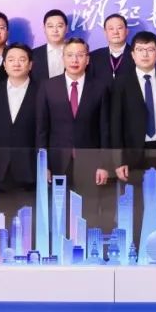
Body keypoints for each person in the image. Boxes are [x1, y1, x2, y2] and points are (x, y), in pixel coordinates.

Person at [36, 37, 113, 227]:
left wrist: (104, 164)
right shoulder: (48, 86)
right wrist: (43, 165)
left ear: (87, 59)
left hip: (90, 162)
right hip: (57, 162)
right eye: (70, 55)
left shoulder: (100, 87)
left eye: (80, 55)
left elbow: (105, 128)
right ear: (63, 58)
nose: (74, 60)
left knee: (89, 212)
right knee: (58, 214)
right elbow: (41, 129)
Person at [111, 31, 156, 186]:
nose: (145, 54)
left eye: (150, 49)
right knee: (134, 198)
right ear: (133, 55)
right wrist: (119, 160)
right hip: (132, 153)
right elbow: (115, 124)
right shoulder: (120, 83)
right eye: (140, 49)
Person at [0, 43, 38, 211]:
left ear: (30, 65)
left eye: (22, 59)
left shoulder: (42, 91)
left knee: (30, 220)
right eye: (11, 60)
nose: (16, 64)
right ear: (4, 64)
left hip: (31, 170)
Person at [88, 13, 134, 83]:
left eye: (119, 28)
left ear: (127, 31)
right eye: (111, 29)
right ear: (105, 32)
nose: (115, 32)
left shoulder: (137, 55)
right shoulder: (93, 57)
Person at [31, 9, 68, 84]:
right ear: (44, 28)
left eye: (59, 26)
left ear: (66, 29)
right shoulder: (33, 54)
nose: (55, 30)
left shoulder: (75, 54)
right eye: (50, 26)